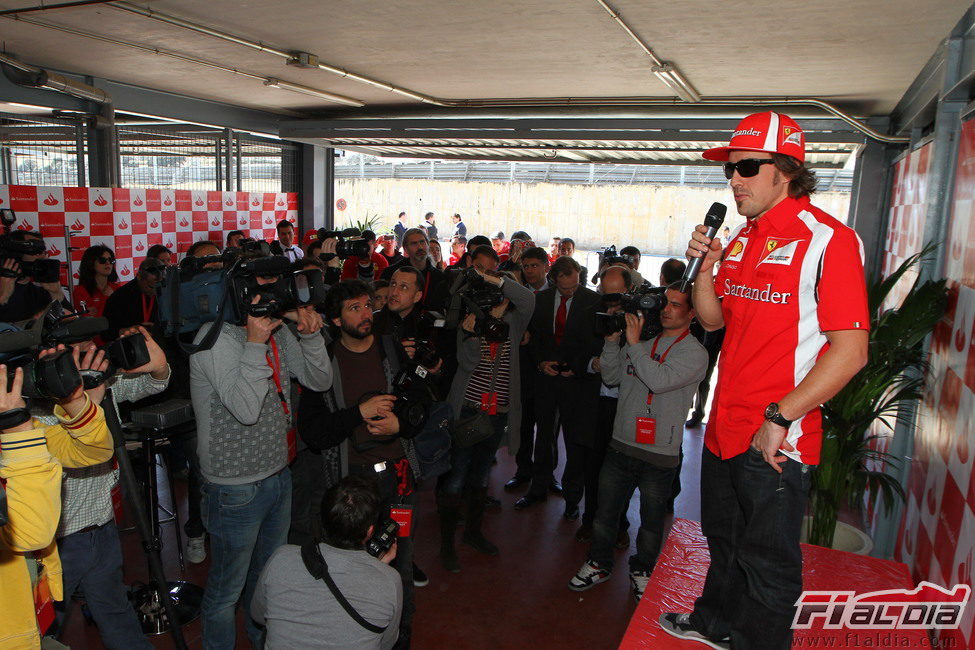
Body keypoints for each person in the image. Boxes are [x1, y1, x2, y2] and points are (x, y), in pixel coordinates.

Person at [660, 112, 870, 650]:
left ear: (787, 170)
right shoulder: (742, 239)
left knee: (769, 566)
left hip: (776, 435)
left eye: (748, 168)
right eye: (730, 170)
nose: (735, 180)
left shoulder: (830, 240)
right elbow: (711, 321)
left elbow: (851, 353)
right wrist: (705, 267)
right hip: (723, 427)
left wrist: (780, 418)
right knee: (723, 540)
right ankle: (715, 624)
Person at [190, 262, 331, 649]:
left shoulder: (278, 331)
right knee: (226, 591)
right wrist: (254, 343)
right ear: (238, 290)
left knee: (266, 578)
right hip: (234, 488)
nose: (273, 292)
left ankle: (261, 640)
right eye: (262, 284)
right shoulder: (213, 338)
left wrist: (311, 337)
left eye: (277, 283)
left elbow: (319, 381)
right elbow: (246, 409)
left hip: (279, 473)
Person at [297, 279, 425, 649]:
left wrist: (403, 424)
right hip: (349, 485)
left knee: (400, 567)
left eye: (368, 305)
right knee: (346, 567)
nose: (367, 313)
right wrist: (359, 413)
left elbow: (421, 404)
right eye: (354, 308)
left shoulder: (391, 350)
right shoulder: (323, 363)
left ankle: (400, 639)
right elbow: (315, 434)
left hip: (399, 481)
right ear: (335, 320)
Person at [569, 283, 707, 602]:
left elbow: (657, 382)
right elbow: (613, 377)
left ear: (692, 314)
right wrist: (613, 343)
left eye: (675, 305)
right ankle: (598, 563)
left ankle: (643, 569)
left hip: (659, 455)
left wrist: (632, 344)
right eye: (665, 303)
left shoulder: (694, 353)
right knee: (605, 515)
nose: (666, 309)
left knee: (650, 522)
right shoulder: (643, 340)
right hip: (621, 444)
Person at [49, 327, 170, 650]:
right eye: (81, 346)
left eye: (93, 343)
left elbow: (153, 383)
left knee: (115, 610)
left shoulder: (101, 383)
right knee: (45, 625)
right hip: (59, 541)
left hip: (102, 525)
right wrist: (82, 404)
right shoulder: (46, 405)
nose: (93, 350)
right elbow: (75, 452)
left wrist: (157, 365)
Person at [0, 346, 114, 650]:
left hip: (29, 603)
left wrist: (75, 401)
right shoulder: (14, 430)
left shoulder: (17, 429)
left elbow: (92, 453)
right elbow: (32, 533)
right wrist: (15, 428)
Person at [438, 266, 534, 571]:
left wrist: (496, 281)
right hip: (468, 409)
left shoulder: (515, 322)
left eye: (502, 293)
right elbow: (466, 365)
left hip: (497, 414)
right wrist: (469, 335)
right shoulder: (472, 321)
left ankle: (473, 533)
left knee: (481, 476)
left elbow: (529, 298)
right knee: (456, 478)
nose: (497, 299)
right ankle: (446, 544)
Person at [252, 475, 402, 650]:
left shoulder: (281, 558)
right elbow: (386, 643)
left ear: (322, 520)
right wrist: (380, 571)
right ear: (369, 531)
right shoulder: (390, 581)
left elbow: (258, 615)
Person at [517, 255, 602, 517]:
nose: (570, 291)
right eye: (565, 288)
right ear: (554, 281)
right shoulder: (539, 301)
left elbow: (595, 343)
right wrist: (541, 363)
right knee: (543, 436)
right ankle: (538, 487)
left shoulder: (592, 301)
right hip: (545, 379)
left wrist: (575, 367)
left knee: (575, 441)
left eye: (574, 286)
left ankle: (572, 500)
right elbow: (532, 340)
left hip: (576, 383)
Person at [573, 265, 633, 545]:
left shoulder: (642, 321)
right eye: (605, 296)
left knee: (623, 470)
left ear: (630, 290)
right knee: (592, 466)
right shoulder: (587, 315)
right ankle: (590, 520)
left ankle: (620, 524)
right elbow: (572, 353)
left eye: (616, 296)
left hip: (625, 405)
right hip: (593, 404)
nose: (611, 303)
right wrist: (590, 363)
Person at [505, 247, 551, 491]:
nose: (530, 270)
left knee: (548, 429)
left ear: (546, 266)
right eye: (526, 266)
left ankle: (547, 475)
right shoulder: (516, 294)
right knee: (523, 423)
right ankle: (523, 470)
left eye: (534, 265)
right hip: (522, 368)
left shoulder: (557, 293)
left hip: (550, 372)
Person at [0, 231, 63, 323]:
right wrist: (3, 297)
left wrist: (56, 293)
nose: (42, 256)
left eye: (43, 251)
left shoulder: (40, 292)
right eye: (36, 251)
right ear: (15, 254)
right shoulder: (3, 290)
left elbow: (71, 323)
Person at [380, 228, 447, 311]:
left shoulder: (439, 277)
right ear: (405, 249)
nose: (420, 247)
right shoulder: (391, 273)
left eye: (422, 242)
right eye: (414, 243)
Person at [101, 257, 164, 340]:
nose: (155, 291)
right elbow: (106, 333)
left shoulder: (166, 292)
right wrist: (127, 330)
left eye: (159, 286)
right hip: (130, 346)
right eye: (151, 287)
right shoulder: (120, 297)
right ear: (138, 277)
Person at [72, 245, 120, 318]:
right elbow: (91, 323)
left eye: (111, 260)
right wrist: (109, 299)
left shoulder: (117, 288)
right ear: (91, 263)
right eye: (102, 260)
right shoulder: (80, 291)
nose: (108, 263)